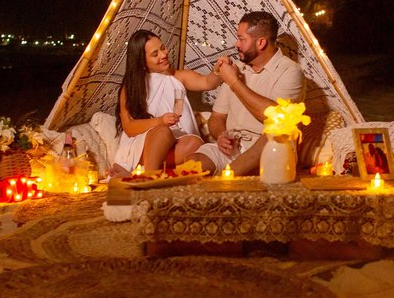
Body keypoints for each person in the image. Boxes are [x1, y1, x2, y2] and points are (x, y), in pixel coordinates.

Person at [190, 11, 305, 175]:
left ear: (261, 43)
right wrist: (221, 135)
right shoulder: (237, 68)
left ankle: (225, 179)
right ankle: (219, 181)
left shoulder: (290, 72)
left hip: (267, 150)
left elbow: (275, 117)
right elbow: (217, 117)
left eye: (242, 39)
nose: (236, 44)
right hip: (233, 148)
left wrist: (234, 82)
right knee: (194, 163)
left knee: (276, 131)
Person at [113, 30, 222, 175]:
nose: (163, 55)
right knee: (162, 131)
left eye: (163, 48)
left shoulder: (177, 76)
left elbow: (208, 83)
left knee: (195, 143)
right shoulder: (131, 87)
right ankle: (149, 176)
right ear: (142, 61)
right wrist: (160, 121)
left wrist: (217, 70)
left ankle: (152, 171)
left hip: (172, 145)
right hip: (142, 146)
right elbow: (129, 127)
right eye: (155, 54)